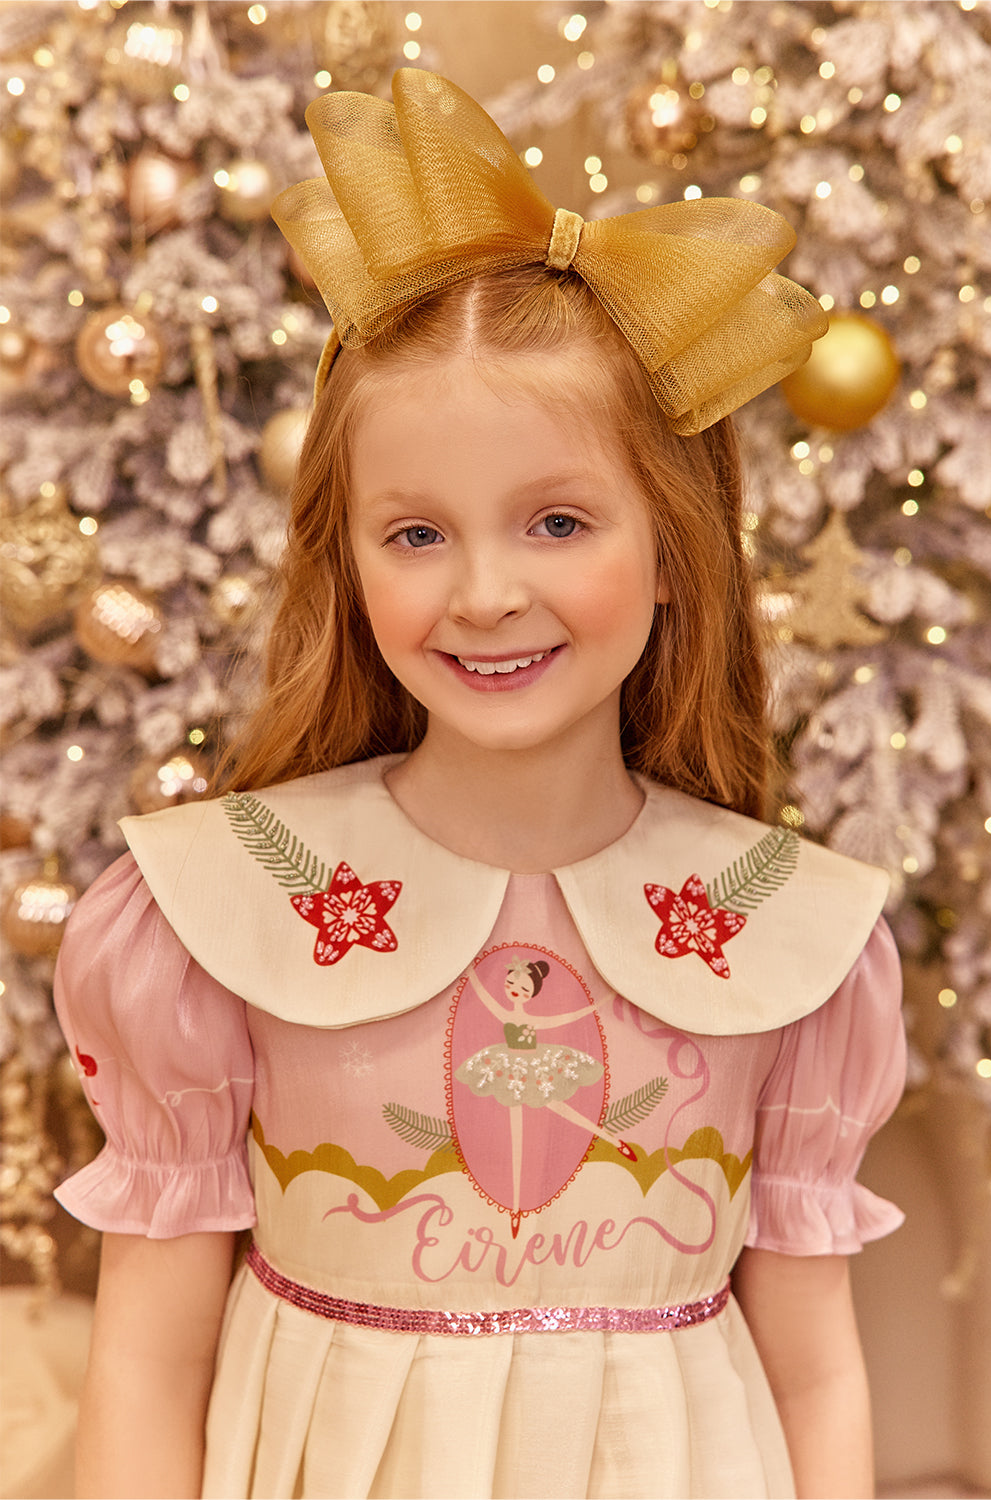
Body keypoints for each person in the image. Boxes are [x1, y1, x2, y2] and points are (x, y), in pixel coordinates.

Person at [53, 69, 907, 1500]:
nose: (487, 593)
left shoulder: (785, 936)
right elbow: (147, 1362)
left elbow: (813, 1367)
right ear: (350, 557)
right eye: (417, 535)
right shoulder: (220, 912)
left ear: (675, 547)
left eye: (559, 521)